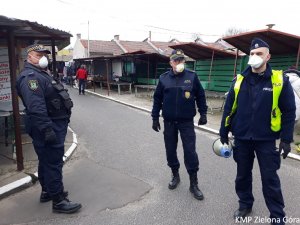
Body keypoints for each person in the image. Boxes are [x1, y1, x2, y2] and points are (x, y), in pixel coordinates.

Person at [219, 38, 295, 224]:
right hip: (242, 137)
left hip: (266, 139)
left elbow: (289, 111)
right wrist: (223, 129)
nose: (254, 56)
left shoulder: (279, 80)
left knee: (270, 178)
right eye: (251, 54)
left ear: (267, 56)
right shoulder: (239, 80)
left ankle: (277, 215)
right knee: (242, 175)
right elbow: (229, 107)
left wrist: (286, 139)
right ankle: (245, 204)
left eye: (259, 53)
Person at [16, 44, 82, 214]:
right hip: (47, 125)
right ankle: (58, 201)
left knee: (46, 160)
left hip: (52, 124)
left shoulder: (41, 73)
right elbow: (36, 108)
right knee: (54, 163)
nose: (43, 58)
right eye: (38, 55)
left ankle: (47, 191)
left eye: (44, 54)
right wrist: (47, 130)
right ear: (29, 57)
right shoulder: (31, 77)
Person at [151, 49, 208, 200]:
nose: (179, 63)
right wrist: (154, 117)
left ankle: (193, 183)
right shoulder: (164, 79)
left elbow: (201, 96)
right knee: (170, 150)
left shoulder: (192, 76)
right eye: (176, 60)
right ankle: (175, 174)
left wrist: (203, 113)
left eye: (181, 60)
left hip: (186, 122)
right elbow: (157, 99)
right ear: (170, 63)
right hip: (169, 122)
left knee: (190, 151)